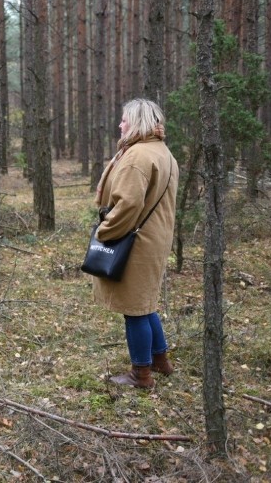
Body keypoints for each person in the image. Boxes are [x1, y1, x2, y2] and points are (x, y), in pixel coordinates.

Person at [92, 98, 179, 389]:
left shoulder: (138, 156)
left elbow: (127, 206)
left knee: (135, 309)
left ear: (138, 121)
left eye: (124, 120)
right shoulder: (162, 151)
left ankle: (140, 375)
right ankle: (160, 361)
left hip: (137, 243)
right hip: (154, 238)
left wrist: (104, 231)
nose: (120, 125)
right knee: (146, 303)